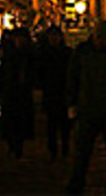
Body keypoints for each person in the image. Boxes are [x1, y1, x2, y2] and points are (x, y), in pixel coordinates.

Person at [67, 20, 106, 194]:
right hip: (88, 107)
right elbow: (73, 78)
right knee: (83, 152)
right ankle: (77, 185)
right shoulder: (83, 52)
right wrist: (72, 102)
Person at [0, 27, 35, 158]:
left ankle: (18, 145)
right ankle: (13, 144)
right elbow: (2, 74)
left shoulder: (29, 54)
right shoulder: (9, 54)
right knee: (10, 120)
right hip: (10, 91)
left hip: (23, 92)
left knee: (20, 120)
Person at [37, 25, 72, 161]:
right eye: (51, 36)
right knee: (51, 124)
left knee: (65, 124)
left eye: (55, 36)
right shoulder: (43, 53)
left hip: (63, 91)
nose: (54, 39)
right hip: (51, 91)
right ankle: (53, 148)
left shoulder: (67, 53)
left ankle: (64, 147)